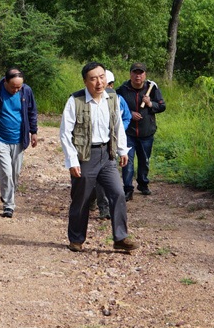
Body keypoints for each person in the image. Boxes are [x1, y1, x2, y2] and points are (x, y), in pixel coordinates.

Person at [60, 62, 138, 253]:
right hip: (85, 156)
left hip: (107, 154)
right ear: (85, 81)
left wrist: (122, 150)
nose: (99, 82)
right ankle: (76, 239)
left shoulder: (112, 98)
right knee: (82, 199)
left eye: (101, 77)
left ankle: (120, 238)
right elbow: (64, 133)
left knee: (118, 193)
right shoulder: (75, 101)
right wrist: (72, 161)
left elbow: (117, 124)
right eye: (93, 78)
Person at [0, 67, 38, 218]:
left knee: (15, 173)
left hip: (18, 139)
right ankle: (9, 205)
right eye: (13, 87)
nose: (16, 90)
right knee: (6, 173)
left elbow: (32, 111)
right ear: (5, 81)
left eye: (19, 87)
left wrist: (34, 132)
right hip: (0, 139)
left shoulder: (26, 91)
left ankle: (7, 195)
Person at [120, 62, 166, 198]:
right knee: (127, 161)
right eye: (135, 72)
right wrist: (129, 113)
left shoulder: (152, 89)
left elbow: (162, 106)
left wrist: (150, 103)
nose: (137, 76)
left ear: (145, 75)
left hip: (146, 133)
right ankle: (128, 189)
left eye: (140, 73)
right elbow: (115, 107)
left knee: (144, 161)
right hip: (129, 132)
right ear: (130, 74)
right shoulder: (122, 90)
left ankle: (143, 183)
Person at [95, 70, 134, 219]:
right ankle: (100, 204)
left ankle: (107, 207)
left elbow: (125, 118)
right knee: (95, 179)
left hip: (113, 143)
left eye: (110, 85)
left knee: (108, 177)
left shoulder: (118, 100)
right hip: (97, 146)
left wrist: (119, 132)